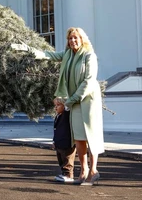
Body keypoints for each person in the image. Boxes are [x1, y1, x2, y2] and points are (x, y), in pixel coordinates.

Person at [12, 27, 104, 186]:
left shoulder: (89, 56)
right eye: (70, 38)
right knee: (79, 137)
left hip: (88, 100)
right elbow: (48, 55)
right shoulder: (68, 55)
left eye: (76, 38)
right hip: (74, 101)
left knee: (91, 135)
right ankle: (83, 171)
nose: (73, 41)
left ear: (82, 39)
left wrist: (69, 101)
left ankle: (94, 171)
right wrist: (27, 49)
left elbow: (88, 81)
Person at [52, 97, 76, 183]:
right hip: (59, 142)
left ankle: (69, 175)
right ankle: (64, 173)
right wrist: (54, 141)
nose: (56, 107)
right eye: (55, 105)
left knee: (67, 160)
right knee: (61, 160)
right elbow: (56, 130)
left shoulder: (66, 114)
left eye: (58, 105)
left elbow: (68, 106)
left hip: (67, 143)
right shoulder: (58, 116)